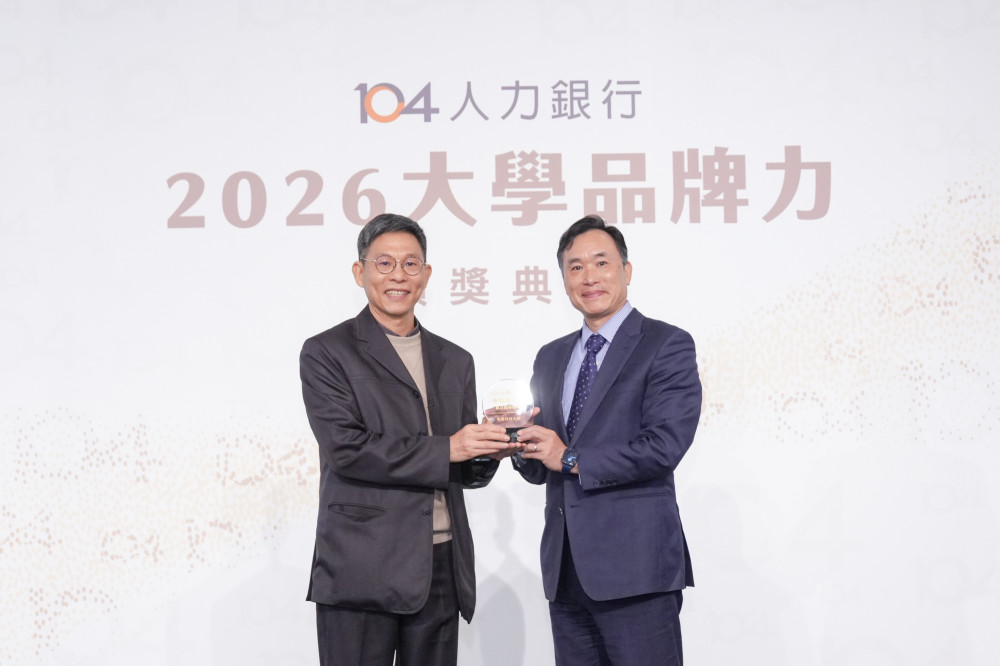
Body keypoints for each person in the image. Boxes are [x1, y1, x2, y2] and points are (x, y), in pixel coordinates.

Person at [299, 213, 512, 666]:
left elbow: (459, 467)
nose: (399, 275)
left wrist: (492, 449)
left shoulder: (455, 359)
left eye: (411, 264)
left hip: (441, 564)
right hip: (362, 565)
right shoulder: (327, 352)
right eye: (385, 263)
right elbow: (347, 450)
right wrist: (451, 448)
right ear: (360, 272)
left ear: (426, 274)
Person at [513, 215, 702, 665]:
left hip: (636, 570)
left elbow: (663, 446)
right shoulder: (551, 356)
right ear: (564, 279)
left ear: (626, 270)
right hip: (565, 570)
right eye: (575, 267)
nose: (589, 277)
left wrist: (570, 458)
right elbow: (543, 464)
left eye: (601, 263)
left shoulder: (665, 344)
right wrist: (517, 444)